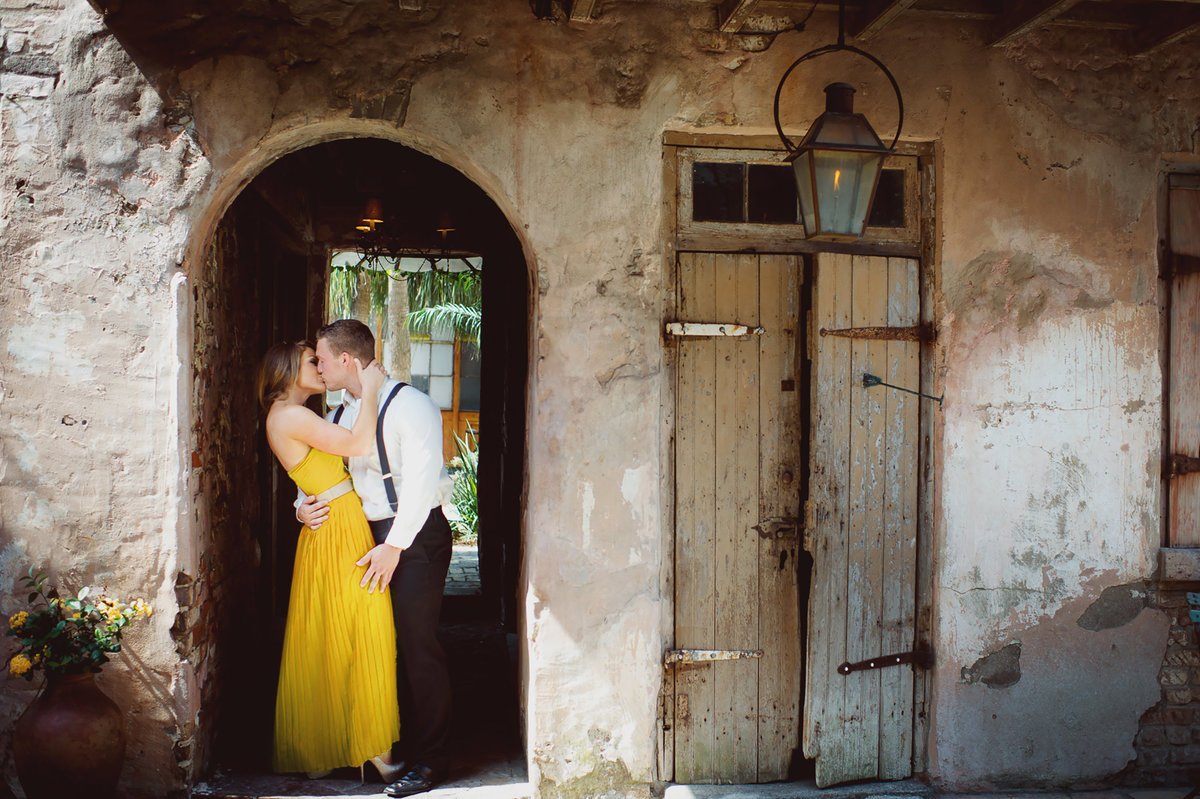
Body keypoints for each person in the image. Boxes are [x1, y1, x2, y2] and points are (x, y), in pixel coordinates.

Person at [297, 319, 453, 797]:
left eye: (321, 359)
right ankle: (381, 749)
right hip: (361, 536)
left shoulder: (413, 405)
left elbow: (423, 485)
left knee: (416, 644)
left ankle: (430, 761)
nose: (317, 367)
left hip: (414, 534)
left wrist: (394, 546)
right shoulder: (342, 413)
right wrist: (301, 507)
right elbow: (322, 470)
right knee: (370, 642)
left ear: (347, 360)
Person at [256, 340, 399, 777]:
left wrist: (299, 505)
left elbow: (311, 473)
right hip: (338, 530)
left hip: (332, 524)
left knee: (332, 632)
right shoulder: (291, 414)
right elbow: (357, 444)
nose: (320, 367)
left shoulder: (291, 416)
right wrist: (371, 386)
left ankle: (331, 741)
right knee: (365, 627)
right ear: (285, 370)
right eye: (310, 362)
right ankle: (372, 745)